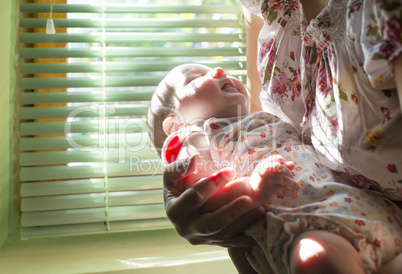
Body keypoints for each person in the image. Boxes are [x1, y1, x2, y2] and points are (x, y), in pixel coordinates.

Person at [147, 63, 402, 273]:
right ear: (174, 125)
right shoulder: (195, 136)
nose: (218, 71)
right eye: (195, 78)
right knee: (317, 258)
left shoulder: (262, 120)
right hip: (304, 225)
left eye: (218, 68)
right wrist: (253, 188)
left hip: (366, 209)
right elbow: (204, 190)